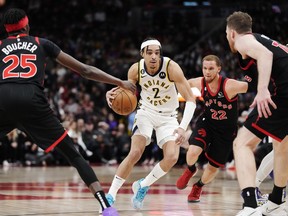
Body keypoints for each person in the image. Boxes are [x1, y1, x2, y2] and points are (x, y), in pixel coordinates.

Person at [0, 8, 136, 216]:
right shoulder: (41, 43)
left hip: (4, 99)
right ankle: (106, 207)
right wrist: (120, 82)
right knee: (73, 155)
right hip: (33, 101)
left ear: (6, 30)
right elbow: (85, 70)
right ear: (27, 26)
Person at [105, 37, 197, 210]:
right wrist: (112, 93)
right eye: (150, 53)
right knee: (135, 152)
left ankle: (143, 185)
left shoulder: (171, 67)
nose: (154, 56)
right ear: (142, 54)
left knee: (172, 157)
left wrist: (182, 127)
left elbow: (191, 100)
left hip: (169, 116)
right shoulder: (135, 70)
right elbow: (126, 92)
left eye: (157, 53)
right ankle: (110, 195)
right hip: (146, 112)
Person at [226, 11, 288, 216]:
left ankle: (250, 205)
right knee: (281, 145)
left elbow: (266, 55)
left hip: (283, 94)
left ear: (232, 32)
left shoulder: (244, 41)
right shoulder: (263, 39)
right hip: (283, 92)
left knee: (242, 143)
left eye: (227, 33)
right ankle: (278, 200)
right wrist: (261, 87)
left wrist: (263, 91)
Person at [176, 55, 248, 202]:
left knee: (213, 167)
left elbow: (250, 86)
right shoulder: (199, 82)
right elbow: (183, 83)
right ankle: (191, 169)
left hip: (226, 131)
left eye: (211, 68)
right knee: (192, 151)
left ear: (218, 69)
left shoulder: (230, 85)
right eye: (205, 68)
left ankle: (198, 186)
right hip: (207, 122)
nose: (207, 72)